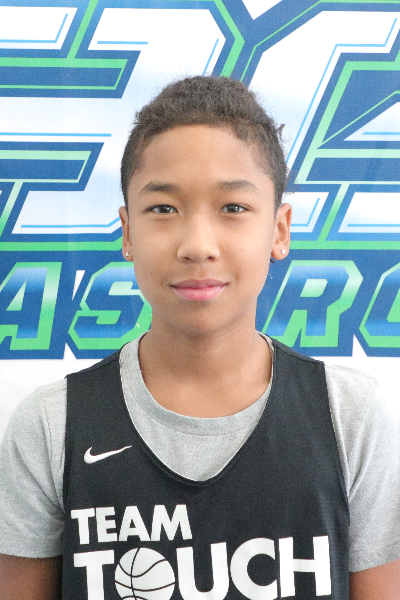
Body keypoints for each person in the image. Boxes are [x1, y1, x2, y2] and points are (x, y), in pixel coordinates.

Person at [0, 76, 400, 600]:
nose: (197, 244)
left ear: (280, 230)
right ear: (127, 232)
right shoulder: (53, 425)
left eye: (232, 208)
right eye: (163, 209)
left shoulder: (349, 415)